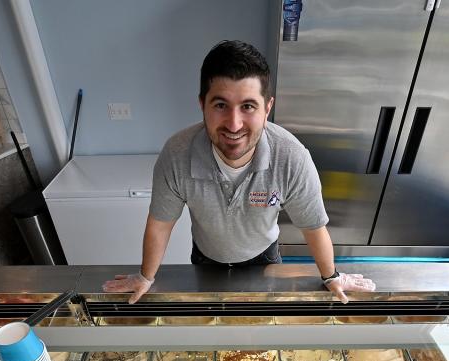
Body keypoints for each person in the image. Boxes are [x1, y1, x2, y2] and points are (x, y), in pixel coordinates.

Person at [103, 40, 375, 303]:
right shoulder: (176, 155)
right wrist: (145, 277)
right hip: (206, 257)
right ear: (202, 104)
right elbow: (160, 223)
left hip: (264, 256)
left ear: (267, 108)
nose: (234, 125)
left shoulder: (292, 158)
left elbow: (314, 227)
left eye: (248, 106)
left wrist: (331, 276)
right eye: (221, 105)